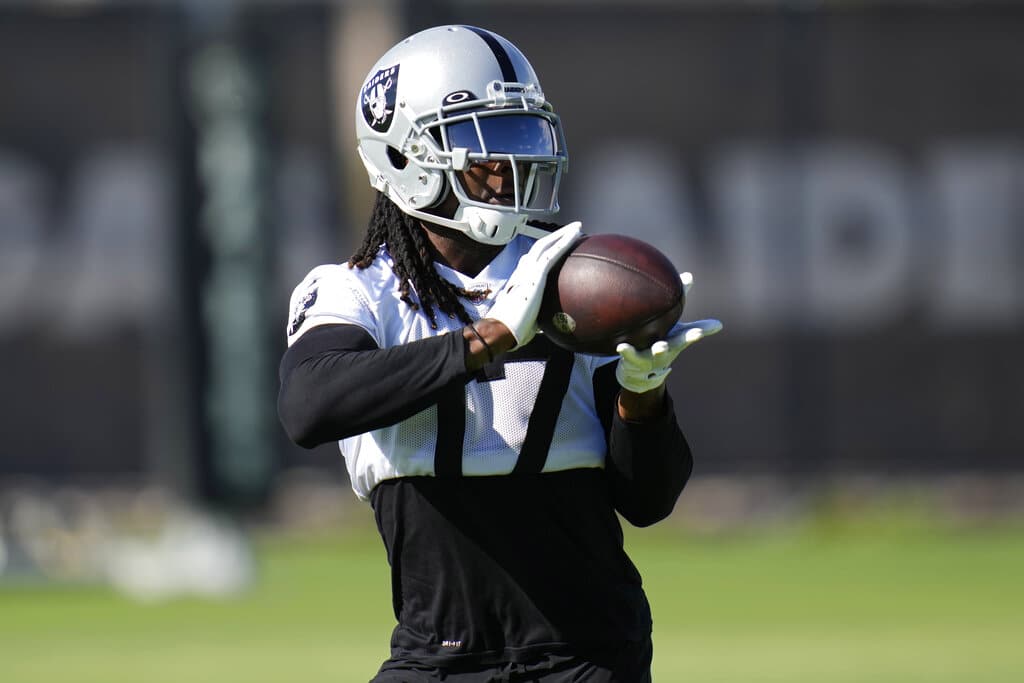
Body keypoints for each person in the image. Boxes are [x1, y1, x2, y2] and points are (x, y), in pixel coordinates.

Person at [278, 24, 722, 682]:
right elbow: (308, 405)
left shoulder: (573, 282)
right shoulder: (357, 290)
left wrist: (643, 398)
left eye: (518, 134)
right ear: (403, 155)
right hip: (437, 655)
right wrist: (484, 340)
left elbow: (649, 500)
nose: (511, 161)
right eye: (479, 140)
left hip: (585, 655)